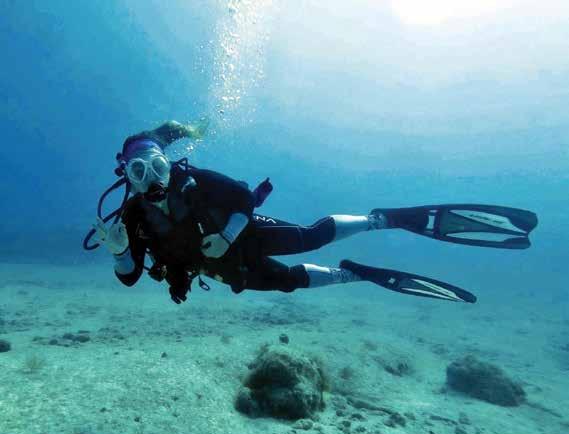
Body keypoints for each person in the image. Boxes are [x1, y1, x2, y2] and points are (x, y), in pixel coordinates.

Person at [88, 120, 538, 305]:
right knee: (288, 282)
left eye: (157, 166)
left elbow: (243, 197)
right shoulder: (131, 220)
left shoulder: (195, 180)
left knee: (311, 237)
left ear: (169, 162)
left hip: (242, 236)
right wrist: (119, 252)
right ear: (127, 175)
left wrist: (226, 235)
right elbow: (129, 277)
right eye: (139, 172)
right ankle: (352, 274)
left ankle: (383, 219)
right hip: (220, 268)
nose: (152, 178)